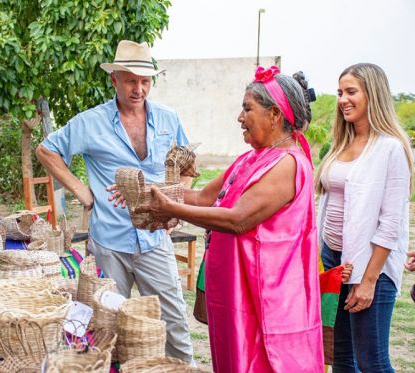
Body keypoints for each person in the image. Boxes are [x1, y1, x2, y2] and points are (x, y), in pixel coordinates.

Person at [134, 66, 322, 372]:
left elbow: (238, 220)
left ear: (274, 115)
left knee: (263, 360)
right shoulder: (249, 158)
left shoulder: (288, 163)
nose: (240, 117)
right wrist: (148, 189)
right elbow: (201, 198)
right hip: (238, 294)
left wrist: (170, 210)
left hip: (266, 297)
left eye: (248, 108)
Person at [36, 40, 193, 363]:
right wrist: (81, 190)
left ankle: (183, 369)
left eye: (145, 81)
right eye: (131, 80)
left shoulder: (168, 118)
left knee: (172, 321)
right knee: (108, 324)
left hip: (155, 240)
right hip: (109, 242)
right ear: (114, 80)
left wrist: (176, 200)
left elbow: (188, 165)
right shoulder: (90, 122)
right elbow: (46, 149)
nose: (139, 89)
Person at [315, 63, 412, 372]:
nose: (343, 99)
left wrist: (368, 281)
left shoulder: (390, 149)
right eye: (340, 92)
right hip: (334, 261)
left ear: (373, 95)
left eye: (351, 92)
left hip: (372, 266)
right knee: (341, 357)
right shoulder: (340, 144)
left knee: (373, 362)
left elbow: (391, 223)